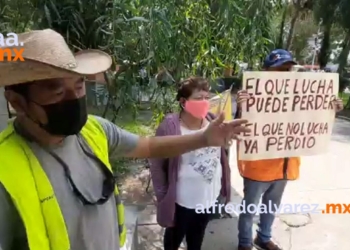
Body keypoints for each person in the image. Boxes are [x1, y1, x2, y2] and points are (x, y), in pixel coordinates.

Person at [0, 29, 251, 250]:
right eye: (57, 92)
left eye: (78, 87)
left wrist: (205, 138)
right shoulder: (5, 170)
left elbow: (149, 146)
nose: (74, 98)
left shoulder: (95, 130)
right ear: (17, 102)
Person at [235, 49, 344, 250]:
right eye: (279, 69)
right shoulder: (251, 96)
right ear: (265, 71)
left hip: (284, 166)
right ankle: (244, 243)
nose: (285, 73)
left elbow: (312, 120)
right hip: (257, 167)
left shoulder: (297, 97)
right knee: (249, 209)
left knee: (271, 207)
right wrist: (241, 107)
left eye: (288, 69)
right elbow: (239, 127)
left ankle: (264, 237)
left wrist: (331, 108)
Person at [149, 76, 231, 250]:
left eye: (206, 97)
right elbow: (156, 163)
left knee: (197, 237)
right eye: (198, 98)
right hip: (181, 201)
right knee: (173, 238)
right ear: (183, 101)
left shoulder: (213, 121)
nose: (204, 102)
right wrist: (163, 194)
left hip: (208, 198)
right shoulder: (170, 127)